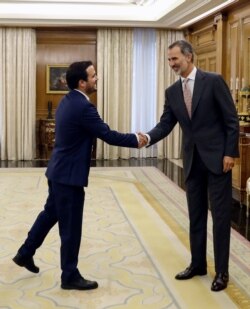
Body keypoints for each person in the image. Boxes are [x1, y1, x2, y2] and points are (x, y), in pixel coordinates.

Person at [13, 60, 144, 291]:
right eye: (93, 76)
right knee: (70, 227)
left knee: (49, 214)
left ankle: (25, 253)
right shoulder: (84, 107)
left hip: (57, 171)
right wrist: (136, 139)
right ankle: (69, 275)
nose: (97, 78)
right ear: (82, 82)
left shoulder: (68, 100)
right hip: (69, 176)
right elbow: (108, 135)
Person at [139, 40, 239, 292]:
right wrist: (148, 137)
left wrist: (230, 153)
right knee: (195, 216)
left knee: (220, 217)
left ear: (189, 57)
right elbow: (165, 124)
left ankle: (222, 272)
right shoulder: (172, 92)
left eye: (175, 59)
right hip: (192, 162)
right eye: (169, 60)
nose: (171, 64)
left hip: (218, 161)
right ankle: (197, 264)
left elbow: (231, 120)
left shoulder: (213, 81)